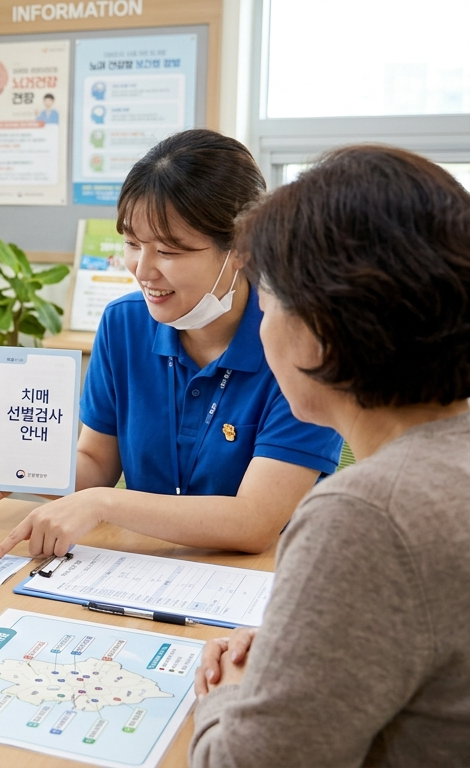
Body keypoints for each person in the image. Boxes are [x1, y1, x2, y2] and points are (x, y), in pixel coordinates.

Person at [190, 146, 470, 763]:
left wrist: (227, 697)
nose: (260, 326)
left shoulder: (366, 515)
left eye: (266, 303)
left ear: (321, 323)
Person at [0, 129, 343, 559]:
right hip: (143, 570)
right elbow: (95, 465)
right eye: (133, 244)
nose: (143, 269)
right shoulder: (124, 323)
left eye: (170, 251)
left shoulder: (299, 341)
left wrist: (103, 504)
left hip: (260, 585)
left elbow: (253, 523)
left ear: (242, 248)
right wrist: (17, 470)